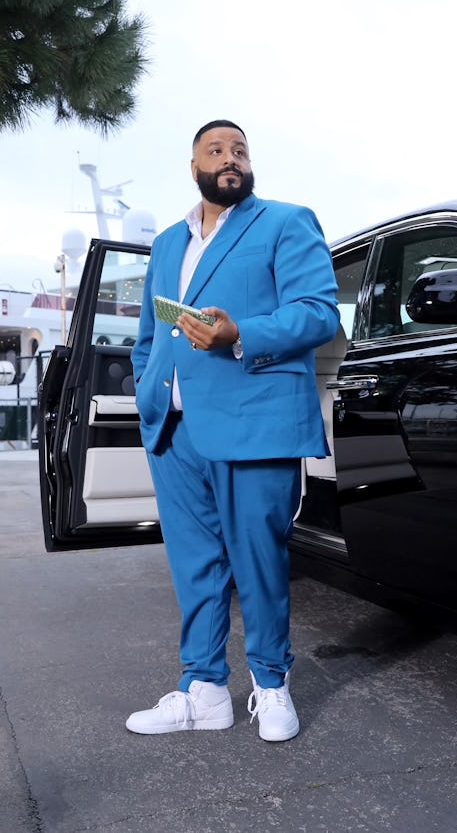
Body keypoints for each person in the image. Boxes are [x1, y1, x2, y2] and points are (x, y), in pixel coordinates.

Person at [127, 120, 340, 741]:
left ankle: (272, 686)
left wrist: (239, 332)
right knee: (194, 565)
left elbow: (318, 313)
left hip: (253, 421)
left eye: (239, 150)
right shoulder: (168, 243)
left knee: (258, 561)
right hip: (174, 428)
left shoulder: (285, 221)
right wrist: (146, 388)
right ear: (192, 165)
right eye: (215, 151)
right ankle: (204, 690)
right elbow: (150, 335)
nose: (230, 159)